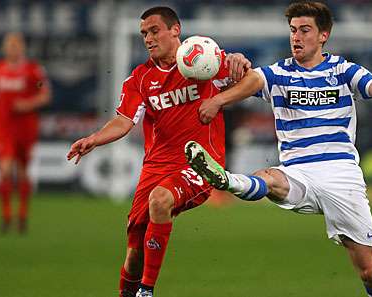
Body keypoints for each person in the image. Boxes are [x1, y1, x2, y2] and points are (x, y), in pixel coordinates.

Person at [185, 2, 372, 297]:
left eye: (304, 30)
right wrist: (224, 89)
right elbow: (251, 81)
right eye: (292, 31)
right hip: (299, 172)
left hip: (341, 176)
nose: (296, 37)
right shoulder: (278, 73)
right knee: (269, 177)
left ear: (323, 35)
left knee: (369, 272)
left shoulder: (343, 71)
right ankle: (226, 180)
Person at [66, 6, 250, 297]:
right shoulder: (140, 79)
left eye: (154, 31)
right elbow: (125, 121)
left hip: (198, 163)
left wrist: (239, 62)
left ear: (175, 30)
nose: (148, 39)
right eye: (143, 34)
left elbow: (249, 79)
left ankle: (147, 292)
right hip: (155, 168)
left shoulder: (204, 59)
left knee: (160, 199)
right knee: (134, 252)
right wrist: (95, 138)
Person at [0, 32, 51, 234]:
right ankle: (6, 217)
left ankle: (22, 217)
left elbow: (44, 94)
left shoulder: (32, 71)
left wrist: (27, 104)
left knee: (22, 172)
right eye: (9, 45)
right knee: (4, 170)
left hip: (25, 128)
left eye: (16, 44)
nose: (12, 48)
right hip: (3, 127)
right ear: (5, 48)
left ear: (22, 47)